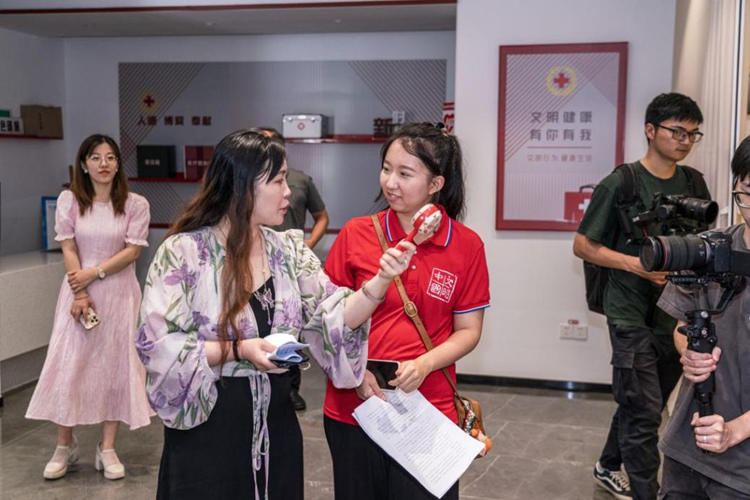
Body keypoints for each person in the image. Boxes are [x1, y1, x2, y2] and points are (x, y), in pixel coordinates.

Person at [135, 129, 415, 500]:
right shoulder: (183, 253)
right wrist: (238, 350)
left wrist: (380, 281)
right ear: (242, 186)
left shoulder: (288, 251)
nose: (288, 192)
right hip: (209, 428)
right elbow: (158, 346)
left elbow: (332, 315)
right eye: (279, 180)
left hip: (277, 425)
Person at [322, 122, 490, 500]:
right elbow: (327, 323)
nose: (390, 183)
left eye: (405, 173)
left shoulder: (466, 246)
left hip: (428, 411)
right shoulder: (356, 234)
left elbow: (468, 330)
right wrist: (355, 371)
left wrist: (425, 364)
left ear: (436, 184)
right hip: (355, 408)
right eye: (386, 169)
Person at [573, 93, 711, 500]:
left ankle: (607, 465)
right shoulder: (622, 182)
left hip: (675, 314)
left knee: (643, 404)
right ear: (650, 130)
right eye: (677, 131)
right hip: (628, 310)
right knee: (646, 411)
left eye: (692, 134)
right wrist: (636, 265)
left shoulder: (694, 183)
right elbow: (583, 245)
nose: (684, 141)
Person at [26, 134, 153, 480]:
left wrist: (94, 273)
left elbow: (132, 251)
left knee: (115, 367)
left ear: (118, 164)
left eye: (110, 157)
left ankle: (107, 447)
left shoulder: (135, 204)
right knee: (70, 365)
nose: (103, 164)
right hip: (78, 292)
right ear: (83, 165)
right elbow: (69, 247)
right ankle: (64, 445)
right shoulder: (70, 201)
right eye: (95, 158)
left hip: (119, 294)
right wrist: (81, 291)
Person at [656, 135, 750, 499]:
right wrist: (689, 353)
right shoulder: (709, 249)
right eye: (747, 193)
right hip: (688, 445)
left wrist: (736, 430)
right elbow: (681, 325)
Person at [263, 127, 330, 411]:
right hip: (258, 261)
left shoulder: (301, 181)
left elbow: (322, 216)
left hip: (290, 264)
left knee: (292, 325)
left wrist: (309, 244)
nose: (284, 191)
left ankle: (290, 388)